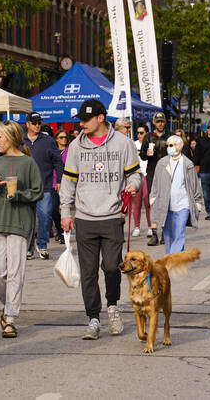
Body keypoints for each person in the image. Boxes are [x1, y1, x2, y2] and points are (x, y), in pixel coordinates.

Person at [60, 98, 141, 340]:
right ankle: (93, 318)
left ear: (100, 118)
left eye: (86, 120)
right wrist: (66, 212)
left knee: (111, 267)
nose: (81, 124)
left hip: (112, 215)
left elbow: (135, 174)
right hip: (85, 218)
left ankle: (113, 306)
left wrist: (133, 186)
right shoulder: (75, 146)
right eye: (80, 120)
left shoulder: (123, 143)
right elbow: (68, 181)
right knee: (88, 272)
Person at [0, 121, 42, 336]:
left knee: (16, 273)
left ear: (10, 137)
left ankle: (10, 318)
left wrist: (19, 194)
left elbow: (38, 192)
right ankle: (8, 306)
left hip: (20, 223)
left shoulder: (28, 163)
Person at [151, 135, 205, 253]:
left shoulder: (187, 164)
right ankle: (173, 258)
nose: (169, 148)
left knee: (179, 232)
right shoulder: (162, 163)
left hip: (183, 204)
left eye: (171, 145)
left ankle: (172, 259)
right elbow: (156, 182)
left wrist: (198, 202)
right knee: (168, 235)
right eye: (168, 146)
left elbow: (194, 184)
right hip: (166, 204)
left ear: (179, 147)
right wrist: (153, 197)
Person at [24, 113, 64, 260]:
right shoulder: (20, 141)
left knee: (45, 217)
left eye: (39, 122)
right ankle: (28, 247)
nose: (37, 125)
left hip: (45, 186)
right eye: (34, 123)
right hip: (25, 187)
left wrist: (59, 180)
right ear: (27, 124)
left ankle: (42, 245)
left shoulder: (48, 140)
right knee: (27, 219)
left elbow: (58, 162)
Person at [139, 112, 170, 244]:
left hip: (167, 172)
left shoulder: (170, 136)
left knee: (165, 203)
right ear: (153, 123)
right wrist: (146, 153)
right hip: (152, 172)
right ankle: (154, 233)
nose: (160, 124)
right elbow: (142, 156)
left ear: (165, 122)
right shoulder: (148, 137)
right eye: (158, 121)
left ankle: (164, 233)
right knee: (152, 203)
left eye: (162, 121)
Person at [131, 123, 154, 237]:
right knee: (137, 203)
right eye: (138, 133)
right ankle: (137, 227)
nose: (139, 135)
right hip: (136, 175)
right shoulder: (133, 144)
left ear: (146, 133)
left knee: (147, 201)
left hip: (148, 175)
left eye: (142, 133)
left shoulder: (150, 144)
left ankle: (150, 227)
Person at [193, 121, 210, 221]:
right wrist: (196, 165)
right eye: (209, 127)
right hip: (204, 170)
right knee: (206, 193)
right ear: (207, 129)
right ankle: (209, 210)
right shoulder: (201, 140)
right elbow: (197, 154)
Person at [52, 130, 71, 244]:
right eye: (61, 137)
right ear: (56, 139)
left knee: (65, 207)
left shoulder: (70, 151)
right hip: (54, 183)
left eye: (65, 137)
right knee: (54, 209)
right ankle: (59, 231)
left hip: (67, 183)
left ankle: (65, 233)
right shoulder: (53, 151)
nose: (64, 139)